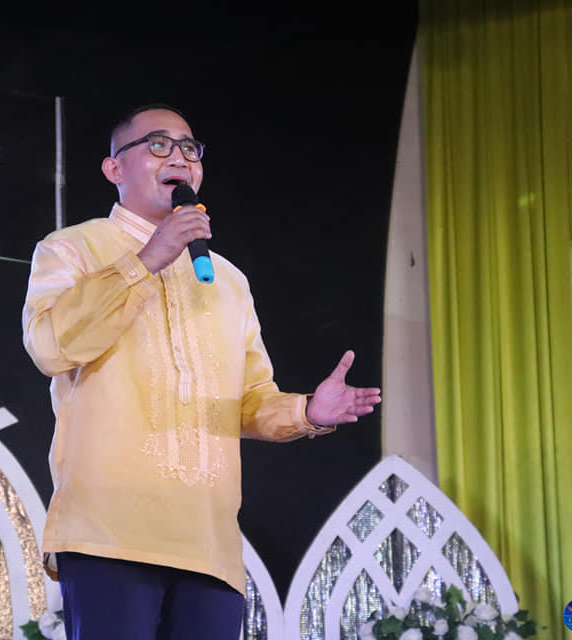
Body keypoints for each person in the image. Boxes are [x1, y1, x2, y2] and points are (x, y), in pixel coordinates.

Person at [21, 104, 382, 640]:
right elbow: (51, 347)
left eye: (190, 148)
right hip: (109, 530)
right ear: (114, 168)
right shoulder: (73, 247)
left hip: (209, 544)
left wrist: (308, 411)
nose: (180, 158)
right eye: (158, 145)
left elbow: (249, 400)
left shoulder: (229, 280)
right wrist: (147, 259)